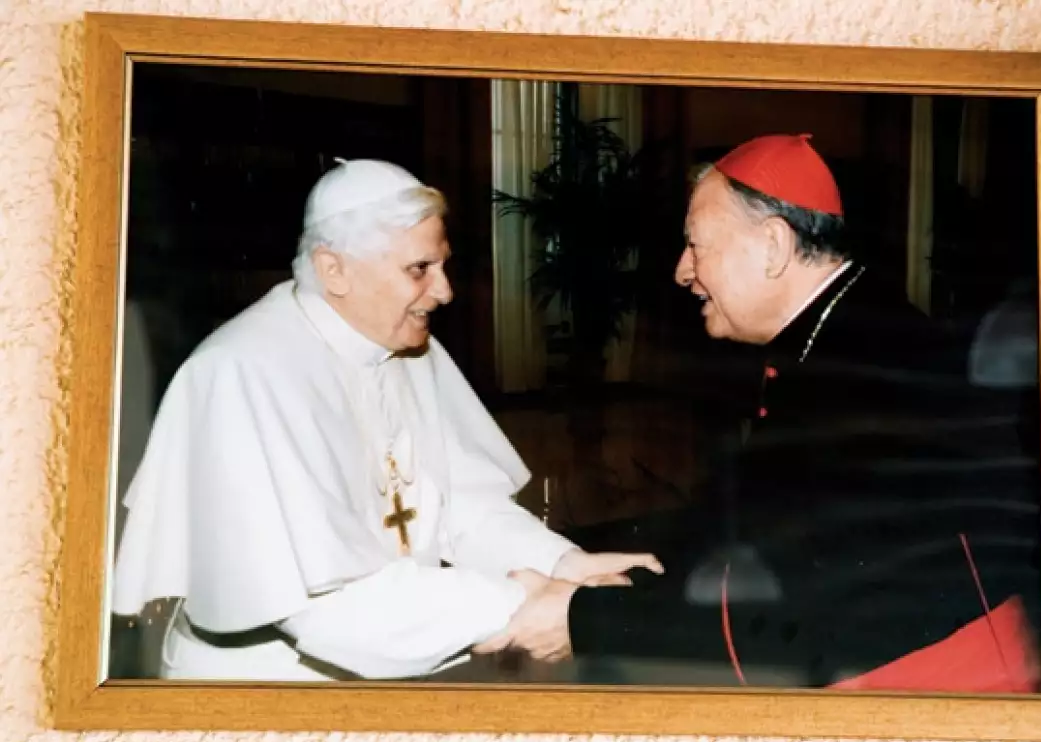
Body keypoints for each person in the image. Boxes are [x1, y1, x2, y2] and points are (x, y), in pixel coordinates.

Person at [478, 134, 1041, 693]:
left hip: (928, 688)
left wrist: (581, 621)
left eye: (696, 244)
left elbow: (782, 619)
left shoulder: (855, 379)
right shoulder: (846, 335)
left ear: (773, 246)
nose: (682, 270)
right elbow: (757, 525)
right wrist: (626, 569)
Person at [110, 159, 661, 681]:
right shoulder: (243, 374)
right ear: (334, 269)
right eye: (419, 269)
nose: (444, 291)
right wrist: (525, 604)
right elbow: (326, 607)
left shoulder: (402, 342)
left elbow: (465, 509)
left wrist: (564, 564)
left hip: (388, 655)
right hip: (267, 686)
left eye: (443, 265)